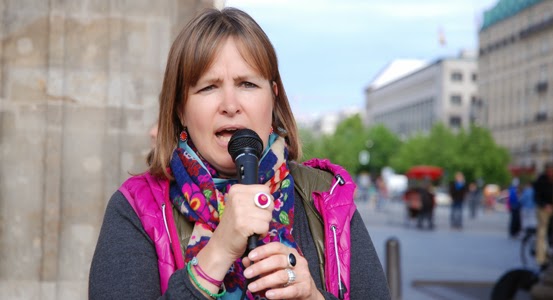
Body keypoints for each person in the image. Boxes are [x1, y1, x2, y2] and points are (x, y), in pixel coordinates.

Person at [88, 7, 390, 300]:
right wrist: (218, 252)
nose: (230, 105)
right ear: (180, 108)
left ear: (272, 99)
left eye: (247, 84)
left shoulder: (326, 198)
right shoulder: (138, 208)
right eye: (208, 87)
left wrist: (311, 296)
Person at [533, 162, 553, 269]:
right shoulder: (541, 180)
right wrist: (545, 205)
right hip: (543, 209)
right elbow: (536, 197)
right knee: (542, 232)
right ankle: (540, 258)